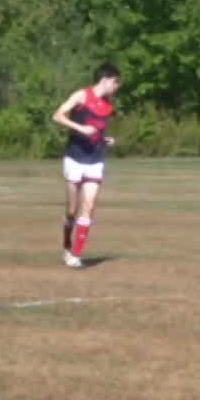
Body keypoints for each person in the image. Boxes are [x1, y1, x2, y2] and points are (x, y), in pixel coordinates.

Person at [52, 63, 122, 268]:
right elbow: (57, 116)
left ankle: (76, 254)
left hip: (96, 158)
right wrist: (80, 128)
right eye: (116, 83)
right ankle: (67, 243)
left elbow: (97, 129)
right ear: (106, 79)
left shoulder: (108, 105)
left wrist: (105, 139)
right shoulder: (81, 95)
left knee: (89, 206)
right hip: (75, 157)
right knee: (72, 210)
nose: (117, 87)